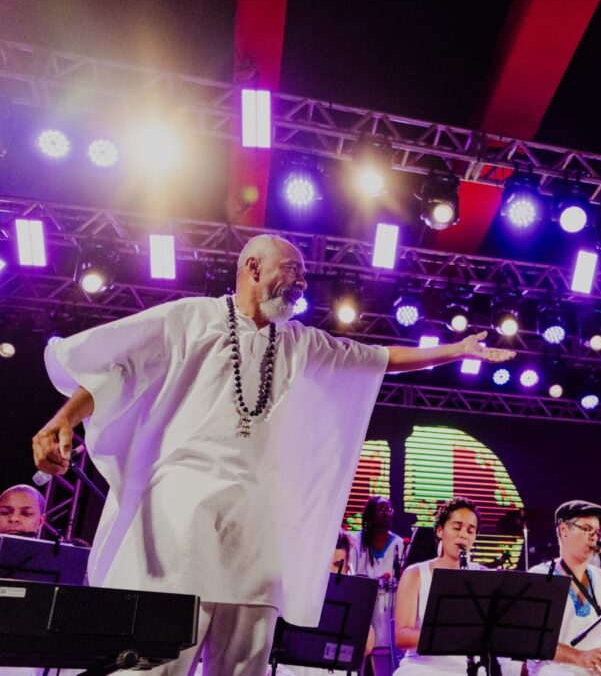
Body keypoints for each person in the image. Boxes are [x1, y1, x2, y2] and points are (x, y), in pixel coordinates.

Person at [30, 234, 514, 676]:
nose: (301, 282)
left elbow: (380, 359)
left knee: (244, 665)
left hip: (259, 527)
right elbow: (118, 370)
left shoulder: (301, 343)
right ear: (253, 266)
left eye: (304, 275)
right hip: (184, 513)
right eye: (292, 269)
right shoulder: (190, 317)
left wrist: (456, 350)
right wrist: (64, 418)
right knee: (158, 659)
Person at [392, 496, 519, 675]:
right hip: (422, 668)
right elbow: (402, 636)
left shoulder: (485, 576)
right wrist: (453, 637)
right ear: (439, 531)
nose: (463, 535)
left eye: (470, 530)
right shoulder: (415, 573)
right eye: (457, 527)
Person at [528, 500, 601, 676]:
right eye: (586, 529)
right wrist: (579, 657)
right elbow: (533, 639)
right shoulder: (539, 576)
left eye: (596, 532)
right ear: (564, 530)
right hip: (554, 670)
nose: (593, 537)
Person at [351, 496, 406, 676]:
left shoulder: (399, 544)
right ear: (370, 513)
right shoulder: (356, 541)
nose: (386, 513)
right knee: (355, 658)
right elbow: (351, 573)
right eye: (381, 509)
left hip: (385, 610)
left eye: (389, 509)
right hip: (361, 607)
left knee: (383, 665)